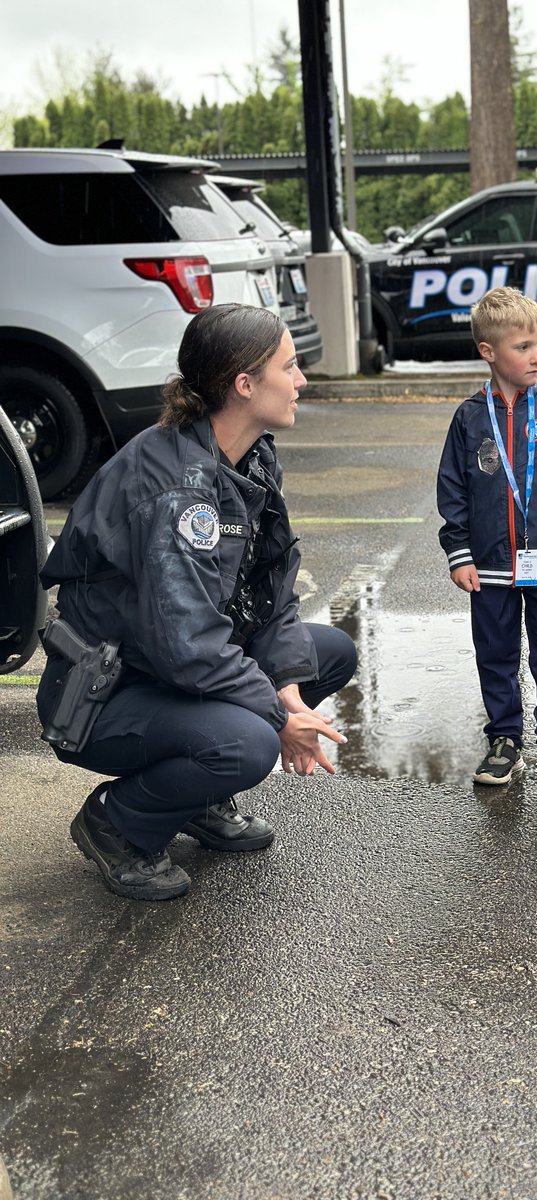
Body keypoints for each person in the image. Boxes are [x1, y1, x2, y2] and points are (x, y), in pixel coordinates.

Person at [37, 304, 357, 901]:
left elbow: (272, 585)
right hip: (106, 695)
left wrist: (286, 686)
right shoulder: (177, 490)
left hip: (163, 666)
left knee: (326, 654)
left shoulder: (249, 456)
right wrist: (279, 717)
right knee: (251, 742)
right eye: (290, 367)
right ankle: (117, 823)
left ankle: (197, 794)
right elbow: (187, 646)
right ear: (244, 384)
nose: (302, 380)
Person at [437, 286, 537, 786]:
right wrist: (459, 552)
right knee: (497, 653)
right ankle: (505, 738)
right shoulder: (469, 417)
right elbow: (453, 488)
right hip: (489, 565)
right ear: (489, 352)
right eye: (523, 347)